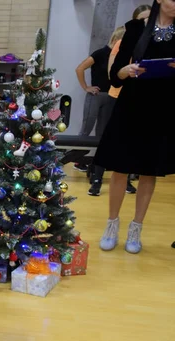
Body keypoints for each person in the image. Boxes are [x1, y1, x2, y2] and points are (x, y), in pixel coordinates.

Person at [94, 0, 175, 254]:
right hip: (132, 105)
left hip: (163, 108)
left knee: (148, 171)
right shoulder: (136, 28)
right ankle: (111, 224)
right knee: (119, 167)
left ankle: (136, 228)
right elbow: (114, 72)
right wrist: (125, 70)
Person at [88, 5, 152, 196]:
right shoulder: (122, 43)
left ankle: (127, 180)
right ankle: (97, 179)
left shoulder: (154, 44)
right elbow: (112, 73)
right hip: (117, 98)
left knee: (133, 143)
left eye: (149, 19)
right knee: (107, 141)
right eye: (142, 19)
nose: (146, 23)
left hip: (141, 101)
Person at [72, 27, 125, 173]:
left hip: (110, 96)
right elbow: (79, 69)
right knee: (86, 129)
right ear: (116, 40)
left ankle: (97, 164)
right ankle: (77, 160)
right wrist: (86, 87)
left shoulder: (120, 56)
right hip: (95, 96)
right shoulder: (100, 53)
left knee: (102, 132)